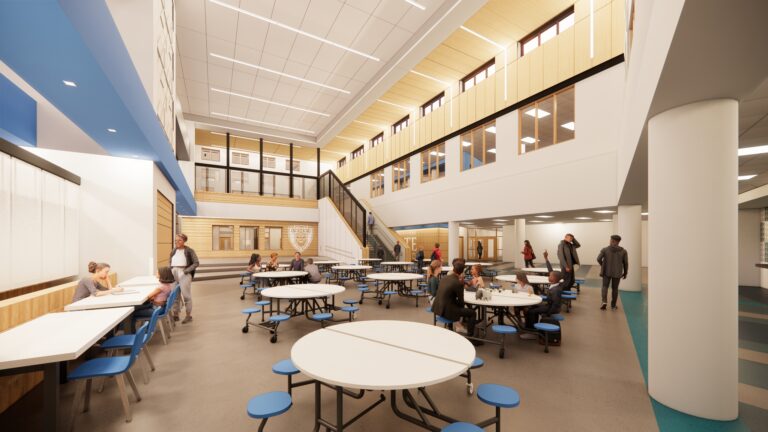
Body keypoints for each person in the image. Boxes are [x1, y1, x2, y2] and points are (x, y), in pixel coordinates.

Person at [433, 258, 481, 345]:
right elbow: (461, 302)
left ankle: (461, 325)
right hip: (447, 311)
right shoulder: (458, 283)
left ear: (453, 268)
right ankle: (471, 337)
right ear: (462, 272)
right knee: (472, 313)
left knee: (463, 310)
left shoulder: (444, 278)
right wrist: (462, 285)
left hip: (437, 307)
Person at [525, 251, 564, 331]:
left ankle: (531, 329)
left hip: (551, 308)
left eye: (550, 276)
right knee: (532, 307)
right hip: (548, 304)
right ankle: (532, 325)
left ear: (554, 279)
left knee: (531, 311)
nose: (548, 276)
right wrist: (546, 258)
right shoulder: (555, 284)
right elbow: (551, 270)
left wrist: (548, 314)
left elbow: (556, 304)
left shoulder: (556, 290)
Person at [132, 266, 175, 331]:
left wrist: (152, 297)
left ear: (162, 275)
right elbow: (153, 296)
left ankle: (133, 333)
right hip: (161, 308)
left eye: (157, 273)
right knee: (140, 307)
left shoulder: (160, 287)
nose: (156, 274)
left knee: (132, 314)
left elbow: (149, 296)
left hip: (156, 309)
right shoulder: (167, 285)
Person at [170, 233, 199, 324]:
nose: (177, 242)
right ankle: (176, 314)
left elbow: (196, 263)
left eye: (179, 240)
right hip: (174, 272)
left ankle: (188, 316)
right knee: (175, 295)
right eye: (176, 240)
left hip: (184, 273)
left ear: (184, 241)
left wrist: (186, 271)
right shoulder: (173, 250)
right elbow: (170, 261)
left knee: (186, 295)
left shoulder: (189, 251)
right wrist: (170, 269)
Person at [597, 234, 629, 311]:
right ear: (619, 242)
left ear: (612, 241)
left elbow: (598, 259)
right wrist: (625, 273)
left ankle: (604, 302)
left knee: (605, 286)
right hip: (617, 273)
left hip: (606, 272)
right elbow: (626, 263)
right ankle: (613, 305)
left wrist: (603, 265)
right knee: (615, 289)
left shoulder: (605, 249)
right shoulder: (623, 251)